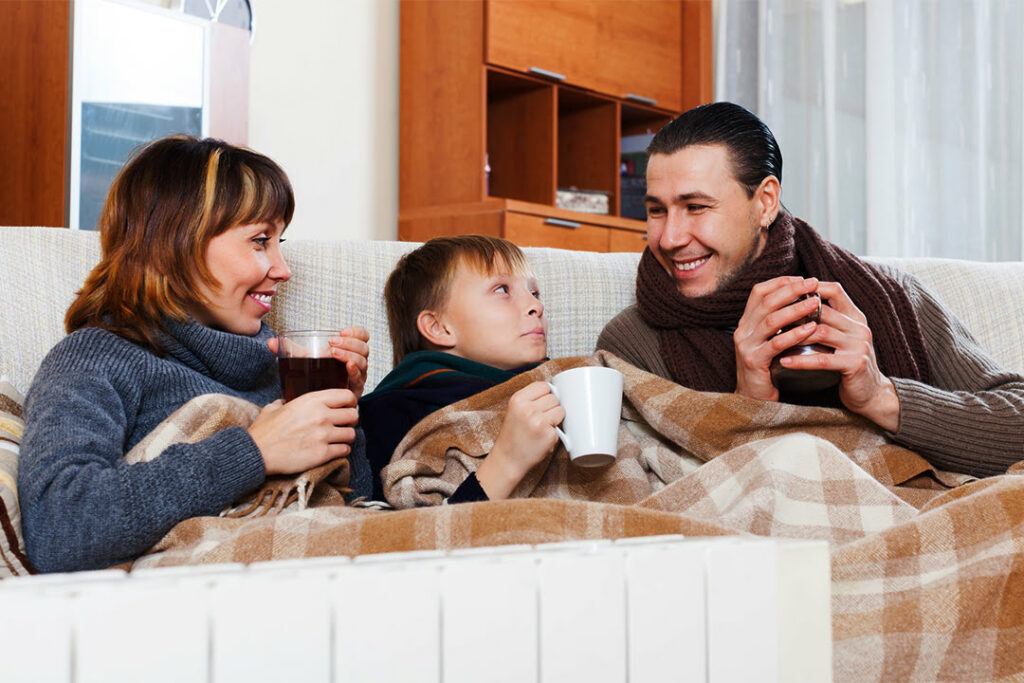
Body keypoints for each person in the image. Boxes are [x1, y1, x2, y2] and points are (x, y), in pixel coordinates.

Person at [597, 101, 1024, 478]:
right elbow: (652, 486)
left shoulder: (887, 299)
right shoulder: (631, 343)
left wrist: (881, 396)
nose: (670, 237)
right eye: (656, 211)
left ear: (765, 202)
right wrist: (747, 406)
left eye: (696, 207)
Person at [19, 135, 371, 573]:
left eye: (280, 242)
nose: (283, 270)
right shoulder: (96, 358)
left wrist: (341, 406)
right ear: (175, 244)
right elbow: (60, 528)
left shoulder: (284, 363)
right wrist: (254, 451)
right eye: (261, 241)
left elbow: (354, 505)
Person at [359, 235, 564, 503]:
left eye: (534, 293)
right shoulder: (389, 414)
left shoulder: (562, 382)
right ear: (439, 328)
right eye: (502, 289)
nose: (536, 306)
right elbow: (410, 535)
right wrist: (507, 462)